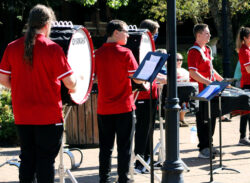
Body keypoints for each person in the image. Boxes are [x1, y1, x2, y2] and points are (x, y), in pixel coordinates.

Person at [0, 4, 77, 183]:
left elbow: (3, 79)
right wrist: (75, 85)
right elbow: (70, 83)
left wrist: (20, 87)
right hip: (48, 116)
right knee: (45, 162)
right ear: (47, 24)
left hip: (22, 115)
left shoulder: (12, 47)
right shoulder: (52, 48)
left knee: (27, 160)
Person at [94, 19, 143, 183]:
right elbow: (137, 79)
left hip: (104, 108)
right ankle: (123, 178)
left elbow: (92, 78)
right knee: (124, 146)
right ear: (116, 33)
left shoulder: (96, 54)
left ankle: (104, 179)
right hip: (124, 106)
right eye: (125, 31)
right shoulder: (125, 53)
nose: (128, 35)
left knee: (105, 147)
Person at [133, 19, 166, 173]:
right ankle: (139, 162)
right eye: (155, 33)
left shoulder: (149, 48)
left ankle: (146, 159)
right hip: (142, 95)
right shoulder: (140, 48)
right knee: (142, 129)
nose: (156, 36)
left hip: (152, 94)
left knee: (149, 129)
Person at [187, 23, 224, 159]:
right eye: (206, 33)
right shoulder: (193, 51)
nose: (209, 35)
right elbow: (193, 73)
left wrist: (221, 80)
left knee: (212, 118)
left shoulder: (207, 49)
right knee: (203, 120)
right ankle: (203, 148)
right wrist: (209, 83)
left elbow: (211, 70)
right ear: (198, 35)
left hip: (211, 91)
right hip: (201, 92)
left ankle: (210, 145)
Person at [176, 53, 190, 127]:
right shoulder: (171, 70)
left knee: (185, 99)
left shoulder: (184, 70)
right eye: (177, 60)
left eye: (181, 60)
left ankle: (181, 119)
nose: (179, 61)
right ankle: (177, 119)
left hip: (184, 90)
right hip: (175, 91)